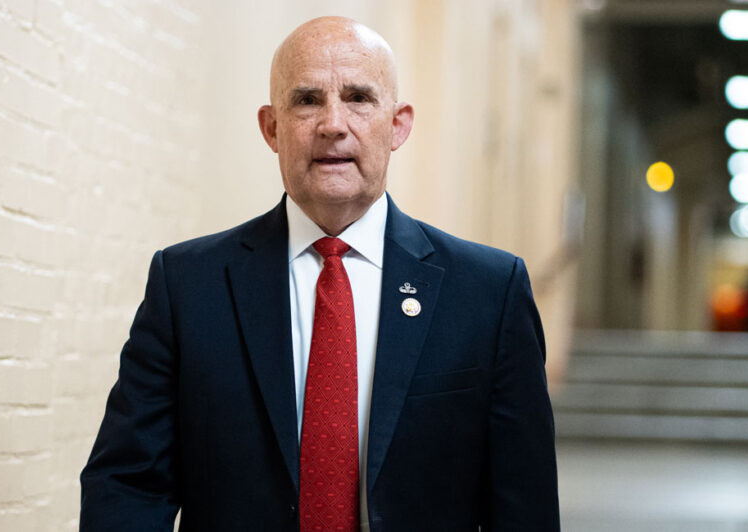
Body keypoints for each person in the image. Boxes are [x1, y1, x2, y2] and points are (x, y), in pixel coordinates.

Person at [80, 16, 559, 531]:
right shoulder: (187, 286)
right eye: (307, 100)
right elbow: (128, 483)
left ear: (398, 125)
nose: (333, 124)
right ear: (271, 128)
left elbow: (523, 505)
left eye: (358, 98)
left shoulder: (488, 292)